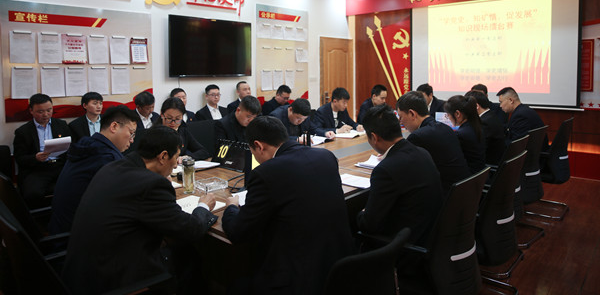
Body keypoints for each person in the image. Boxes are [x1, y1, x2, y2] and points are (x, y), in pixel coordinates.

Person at [62, 126, 218, 295]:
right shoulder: (151, 185)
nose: (175, 165)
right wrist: (203, 206)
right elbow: (190, 229)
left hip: (81, 274)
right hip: (113, 281)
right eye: (176, 158)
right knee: (189, 255)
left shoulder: (113, 167)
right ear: (163, 156)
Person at [222, 116, 354, 294]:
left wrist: (231, 207)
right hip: (338, 263)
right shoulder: (326, 156)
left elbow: (238, 232)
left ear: (259, 146)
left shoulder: (266, 173)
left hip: (297, 278)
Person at [357, 104, 443, 248]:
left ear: (374, 137)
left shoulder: (386, 169)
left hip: (406, 246)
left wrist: (363, 212)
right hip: (431, 237)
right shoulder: (422, 152)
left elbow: (369, 225)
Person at [49, 105, 138, 234]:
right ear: (114, 126)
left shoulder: (88, 144)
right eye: (131, 133)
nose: (132, 140)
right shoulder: (106, 158)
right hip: (79, 236)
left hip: (61, 226)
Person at [396, 91, 471, 195]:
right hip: (463, 191)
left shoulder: (418, 136)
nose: (400, 121)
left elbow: (405, 171)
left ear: (412, 113)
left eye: (401, 117)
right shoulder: (445, 127)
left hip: (444, 195)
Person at [13, 93, 71, 208]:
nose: (45, 114)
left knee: (79, 184)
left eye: (49, 110)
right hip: (37, 169)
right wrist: (35, 158)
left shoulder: (61, 125)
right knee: (32, 194)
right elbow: (19, 158)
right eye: (40, 111)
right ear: (31, 111)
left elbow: (71, 147)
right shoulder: (23, 132)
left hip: (60, 165)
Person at [444, 95, 486, 174]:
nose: (448, 117)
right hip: (479, 174)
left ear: (457, 114)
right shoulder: (476, 126)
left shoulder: (461, 134)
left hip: (468, 176)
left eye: (448, 115)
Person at [465, 90, 506, 166]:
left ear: (476, 106)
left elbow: (477, 148)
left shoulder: (484, 122)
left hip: (489, 164)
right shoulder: (491, 115)